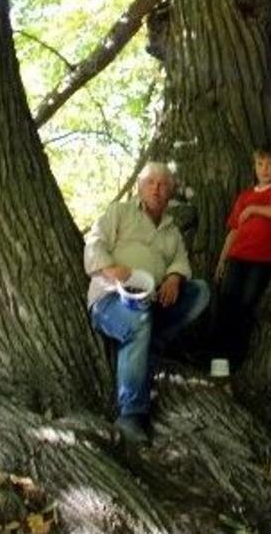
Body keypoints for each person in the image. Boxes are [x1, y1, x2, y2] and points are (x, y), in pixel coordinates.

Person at [85, 162, 210, 445]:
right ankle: (131, 414)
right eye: (151, 182)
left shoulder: (170, 230)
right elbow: (94, 242)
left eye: (163, 184)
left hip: (151, 301)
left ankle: (151, 341)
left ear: (170, 192)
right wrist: (110, 269)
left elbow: (180, 261)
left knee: (199, 292)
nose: (157, 188)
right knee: (138, 320)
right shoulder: (120, 212)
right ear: (140, 187)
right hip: (111, 300)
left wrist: (174, 277)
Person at [212, 145, 271, 373]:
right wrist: (222, 260)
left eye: (270, 164)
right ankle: (219, 366)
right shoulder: (245, 196)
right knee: (226, 304)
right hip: (237, 257)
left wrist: (255, 210)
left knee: (247, 305)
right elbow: (233, 231)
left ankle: (237, 362)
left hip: (264, 259)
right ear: (254, 167)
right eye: (260, 164)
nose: (264, 169)